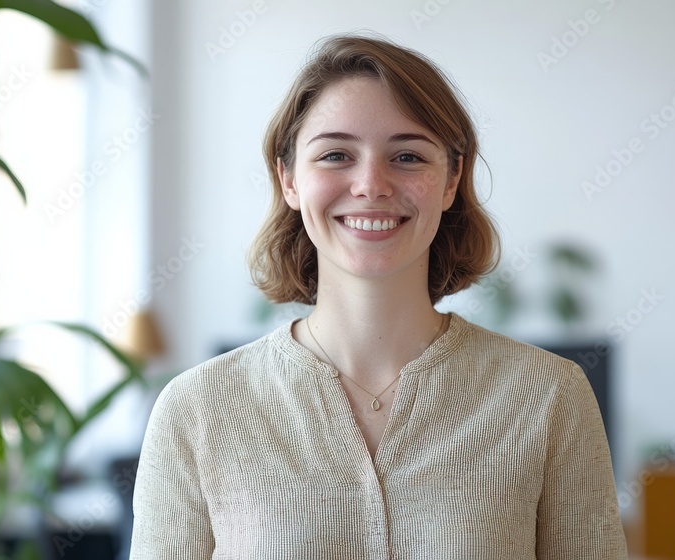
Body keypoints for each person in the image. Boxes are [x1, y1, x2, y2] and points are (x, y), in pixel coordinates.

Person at [130, 33, 627, 559]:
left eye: (408, 156)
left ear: (452, 178)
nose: (371, 184)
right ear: (289, 178)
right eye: (337, 154)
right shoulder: (197, 411)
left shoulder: (550, 398)